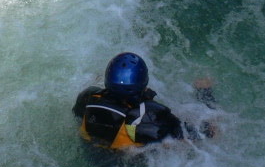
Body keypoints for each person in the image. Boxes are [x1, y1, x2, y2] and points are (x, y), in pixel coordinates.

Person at [73, 52, 217, 149]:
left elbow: (78, 117)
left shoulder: (88, 97)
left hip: (93, 154)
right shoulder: (149, 116)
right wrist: (205, 93)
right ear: (143, 83)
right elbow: (205, 133)